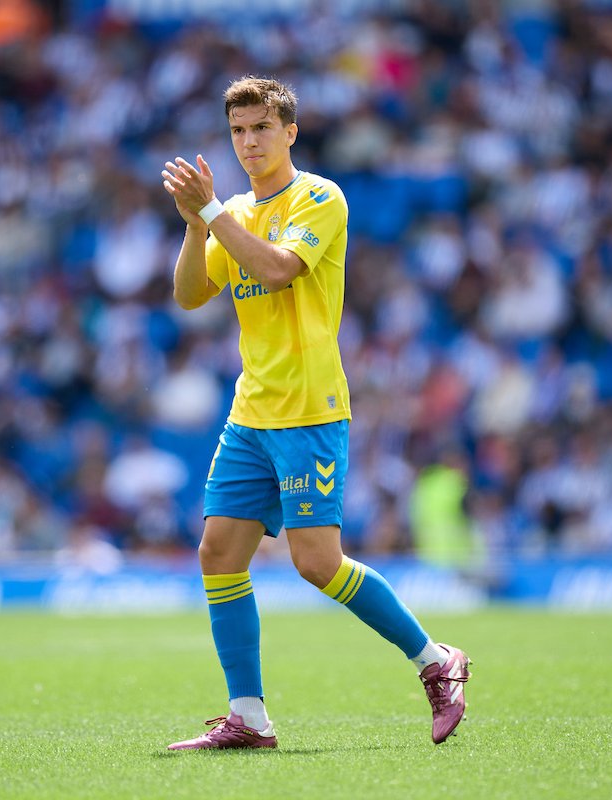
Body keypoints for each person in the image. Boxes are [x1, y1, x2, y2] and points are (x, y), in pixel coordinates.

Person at [161, 76, 470, 750]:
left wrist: (212, 212)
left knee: (316, 562)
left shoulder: (319, 197)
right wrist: (195, 224)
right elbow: (188, 294)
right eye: (239, 131)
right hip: (251, 412)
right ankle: (249, 717)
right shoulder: (232, 210)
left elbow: (276, 270)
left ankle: (436, 661)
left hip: (308, 412)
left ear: (290, 132)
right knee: (218, 551)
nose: (249, 142)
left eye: (262, 129)